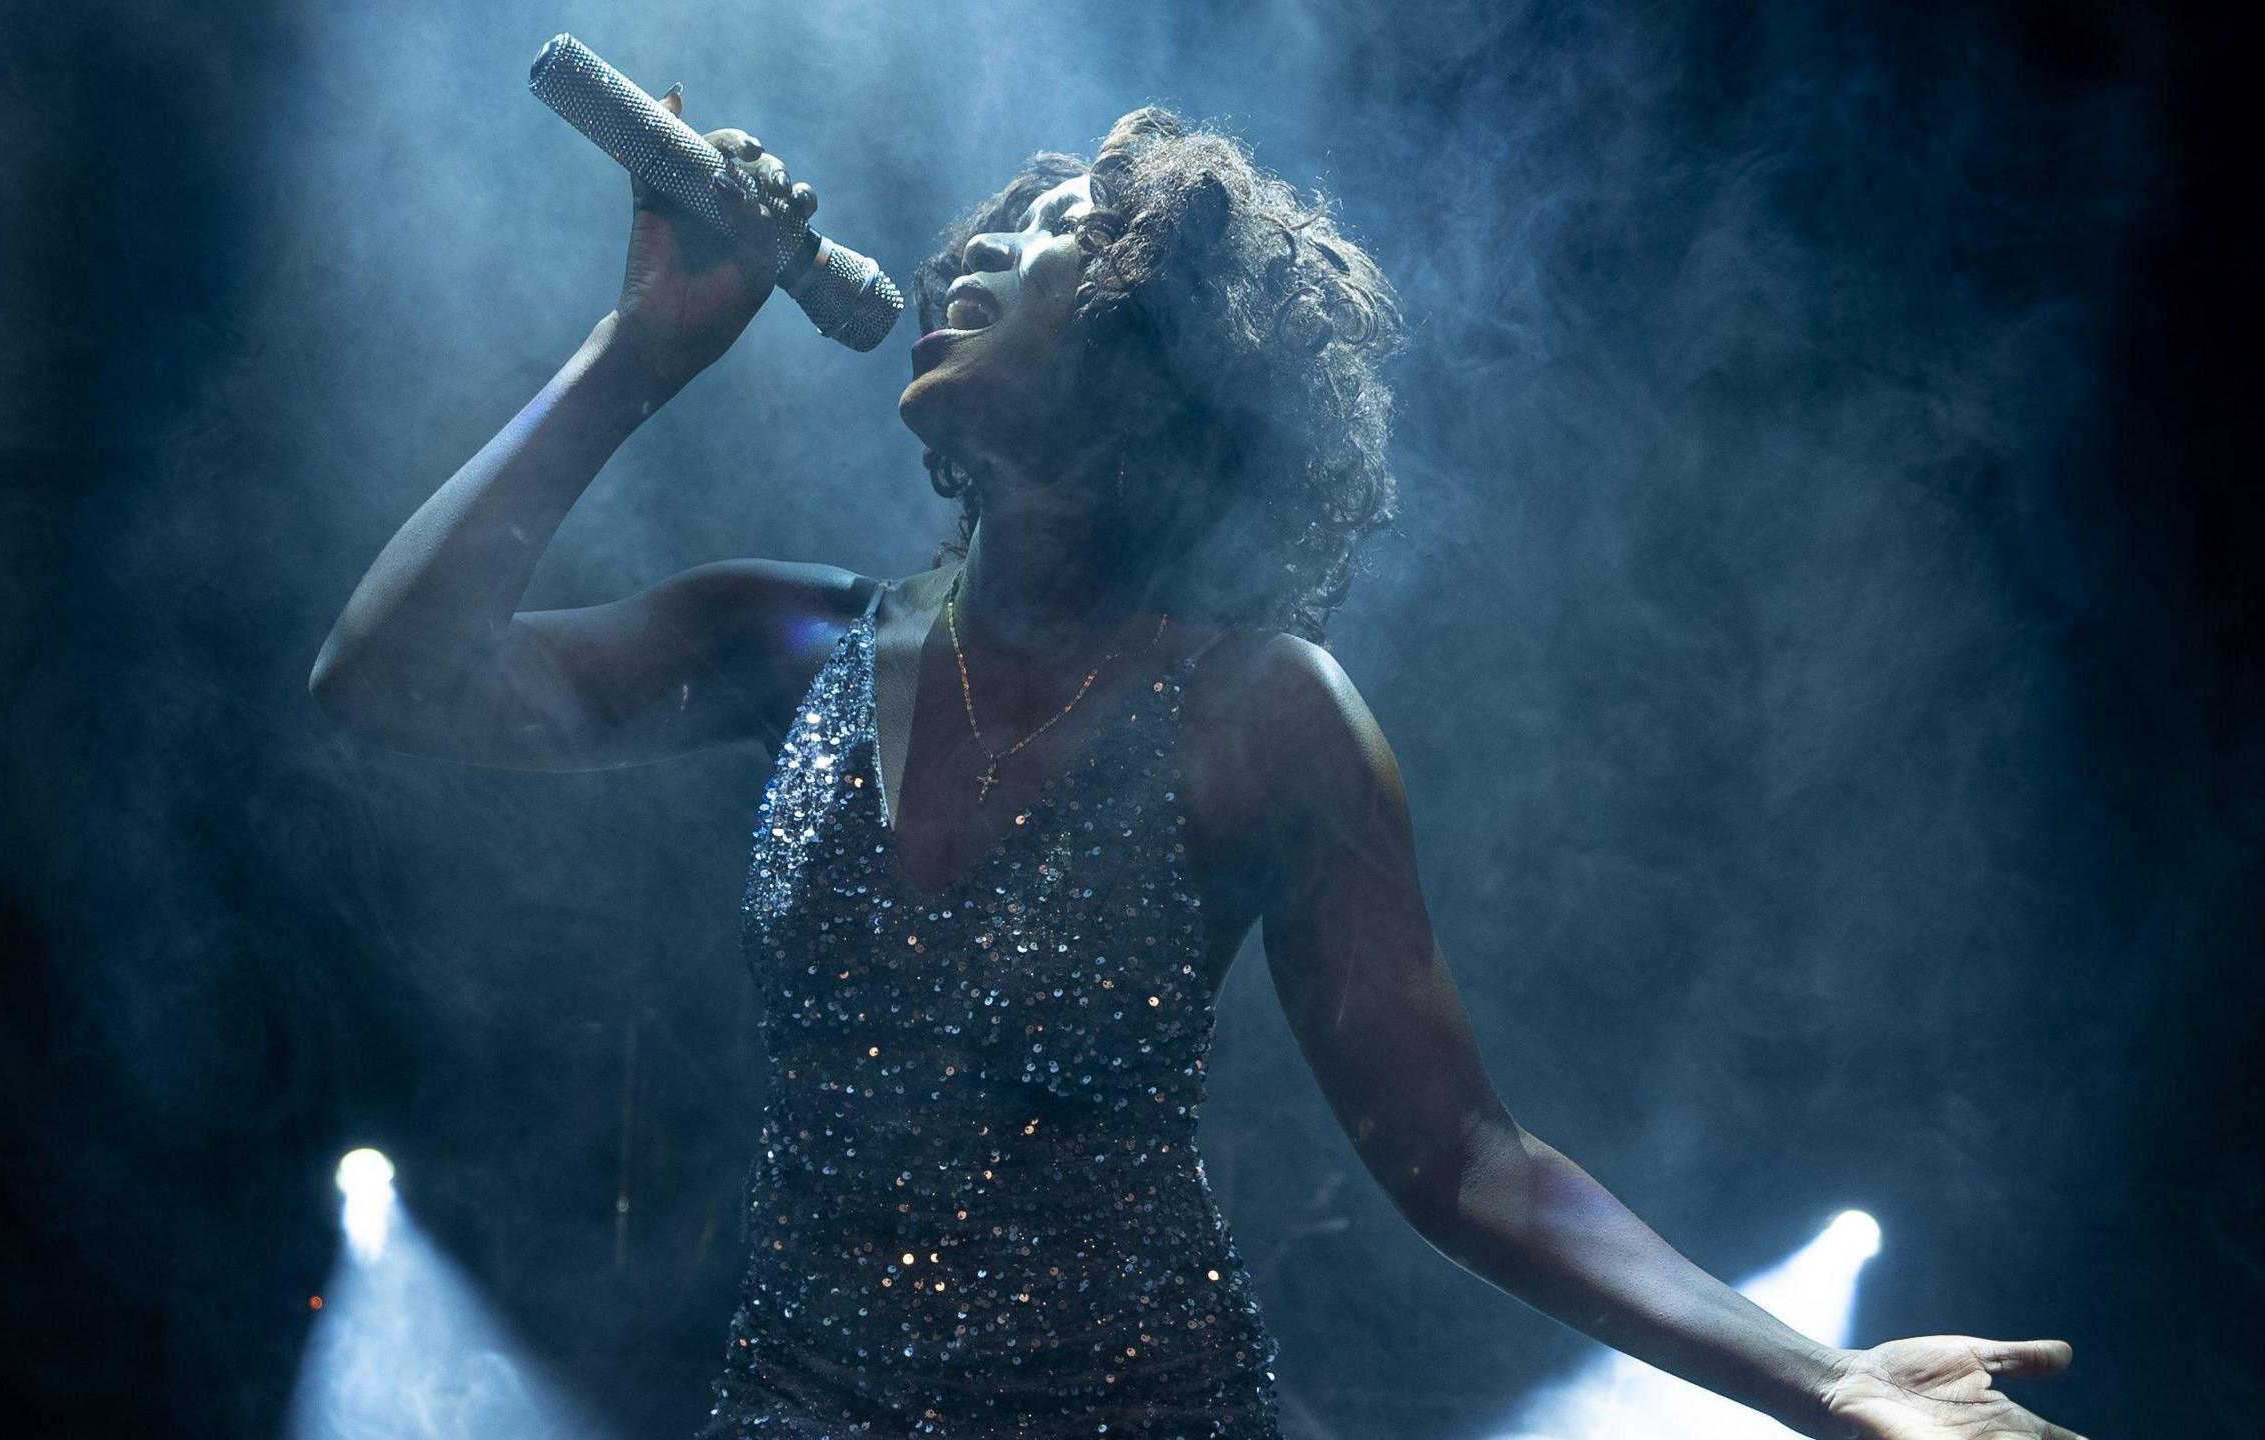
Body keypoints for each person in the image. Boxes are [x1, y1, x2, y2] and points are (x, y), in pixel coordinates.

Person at [308, 89, 2086, 1440]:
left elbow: (1464, 1153)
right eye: (986, 231)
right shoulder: (789, 644)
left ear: (1163, 353)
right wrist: (641, 352)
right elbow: (392, 678)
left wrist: (1822, 1380)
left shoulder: (1266, 716)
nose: (975, 251)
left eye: (1059, 231)